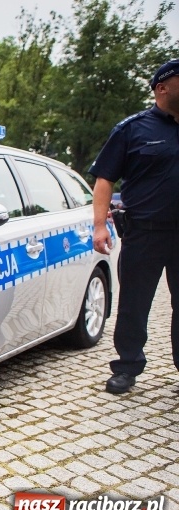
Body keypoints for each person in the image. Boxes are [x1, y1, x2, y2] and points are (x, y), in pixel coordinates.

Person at [90, 59, 179, 394]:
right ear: (162, 88)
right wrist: (100, 226)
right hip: (145, 232)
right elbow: (104, 180)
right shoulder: (133, 129)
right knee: (134, 303)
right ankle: (127, 367)